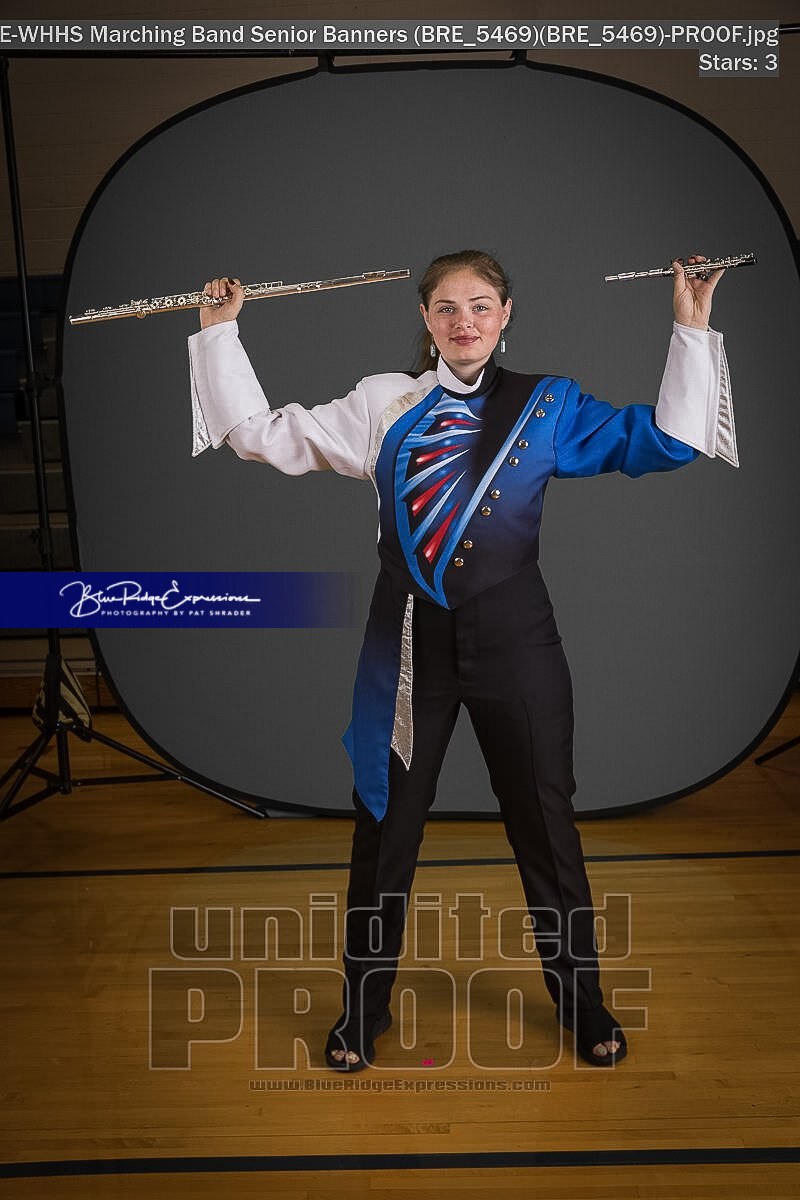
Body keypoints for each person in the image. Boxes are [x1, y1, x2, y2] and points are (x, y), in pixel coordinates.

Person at [188, 249, 737, 1071]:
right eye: (447, 308)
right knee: (385, 828)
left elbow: (666, 441)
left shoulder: (548, 405)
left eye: (480, 306)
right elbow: (262, 436)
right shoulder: (383, 402)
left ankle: (585, 1004)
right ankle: (360, 1012)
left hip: (518, 641)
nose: (464, 322)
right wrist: (219, 334)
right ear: (426, 319)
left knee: (546, 824)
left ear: (506, 314)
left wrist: (690, 327)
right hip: (409, 643)